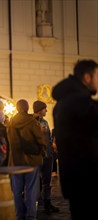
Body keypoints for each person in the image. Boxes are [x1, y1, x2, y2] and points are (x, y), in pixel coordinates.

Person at [52, 59, 98, 219]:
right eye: (97, 76)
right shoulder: (78, 102)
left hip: (77, 176)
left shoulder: (66, 101)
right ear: (87, 77)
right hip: (86, 178)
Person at [7, 99, 46, 220]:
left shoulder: (11, 123)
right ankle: (30, 216)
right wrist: (42, 151)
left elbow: (10, 142)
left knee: (17, 192)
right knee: (30, 190)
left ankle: (19, 215)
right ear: (27, 108)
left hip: (15, 161)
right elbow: (40, 140)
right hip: (31, 161)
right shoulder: (32, 122)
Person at [32, 100, 59, 213]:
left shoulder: (46, 122)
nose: (46, 110)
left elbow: (47, 138)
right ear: (39, 109)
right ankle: (34, 205)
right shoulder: (31, 122)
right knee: (35, 182)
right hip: (37, 157)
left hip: (47, 156)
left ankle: (47, 203)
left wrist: (52, 151)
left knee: (47, 182)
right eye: (44, 108)